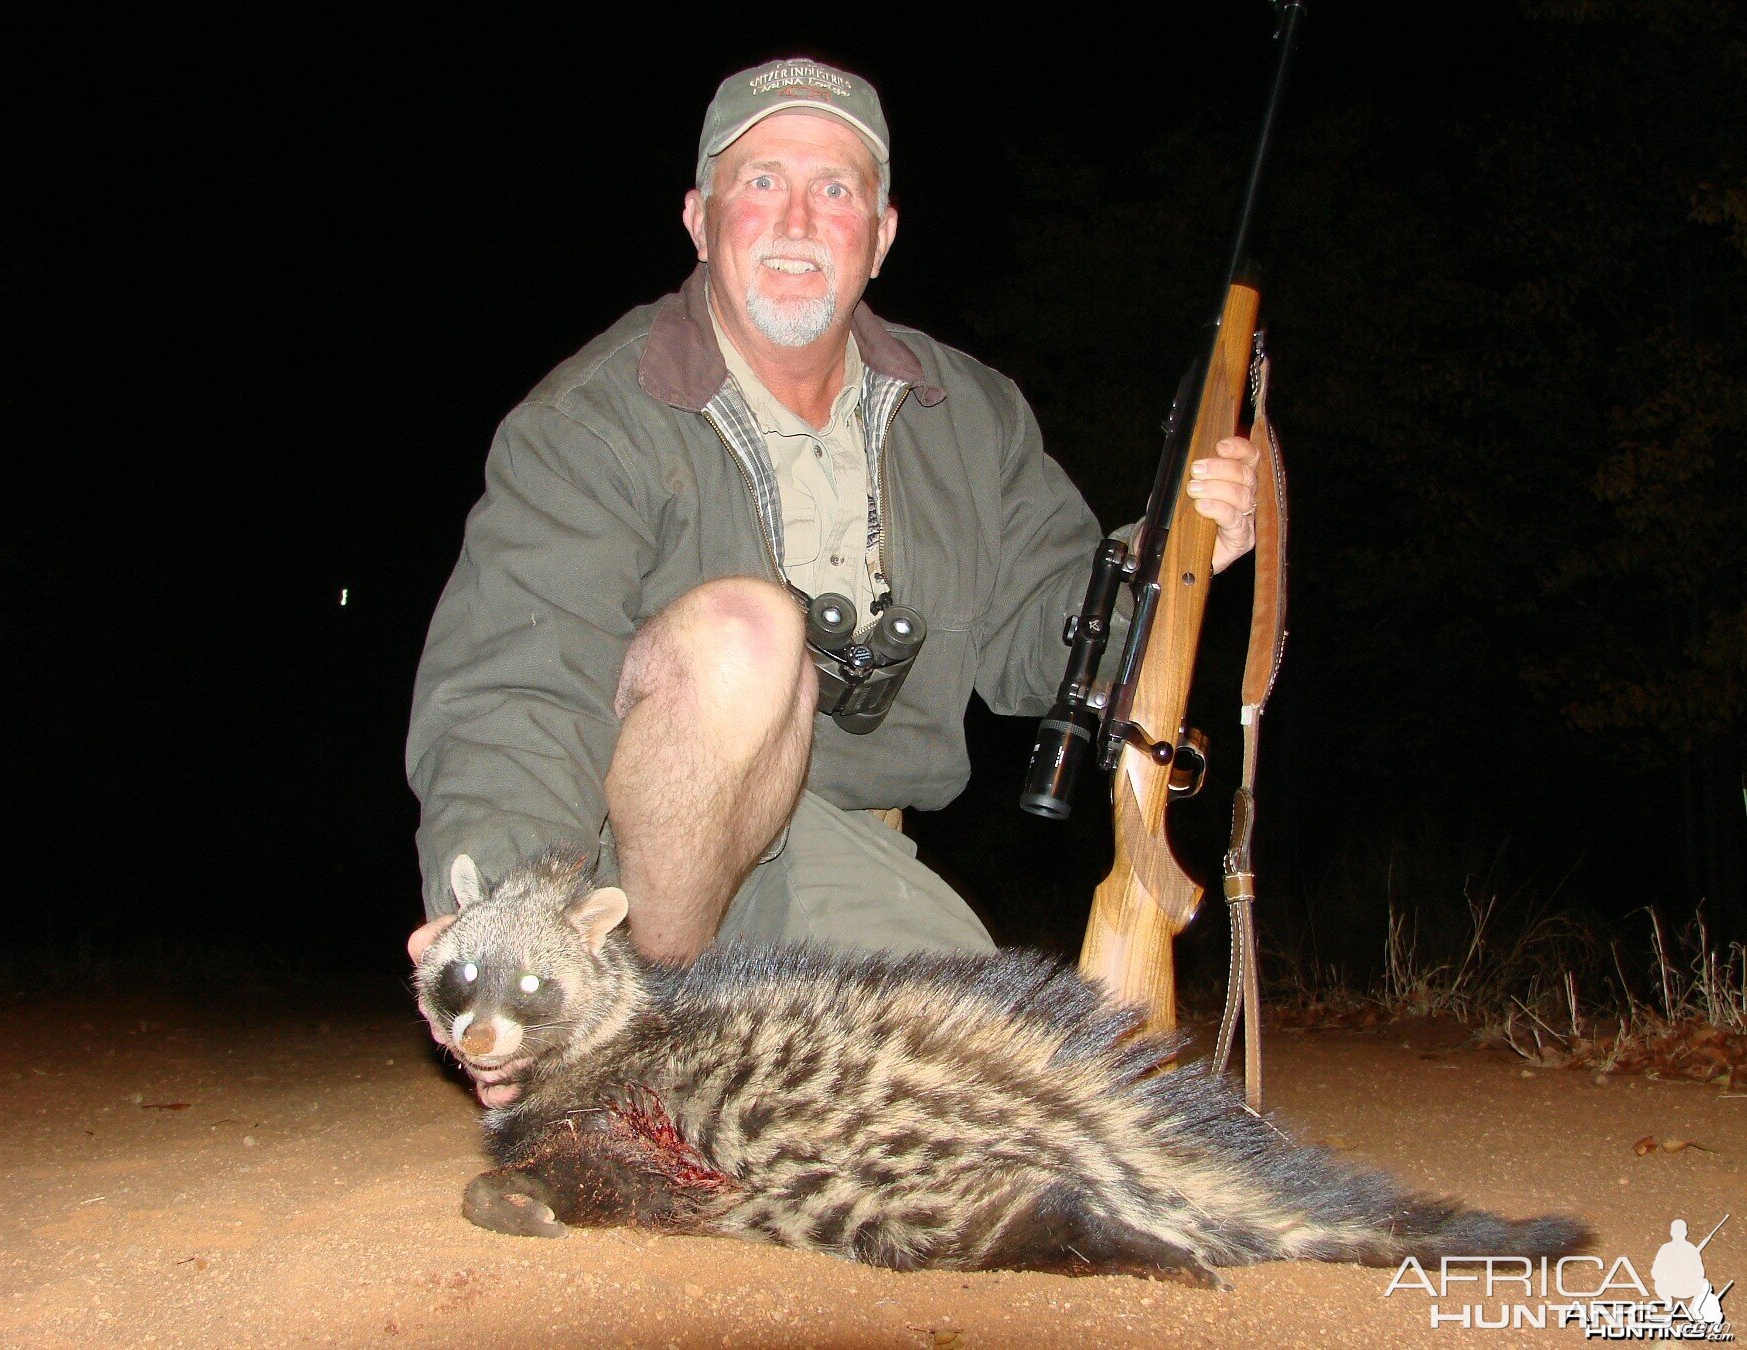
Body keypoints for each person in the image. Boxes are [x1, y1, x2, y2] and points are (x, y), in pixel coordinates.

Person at [405, 58, 1259, 1104]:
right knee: (746, 637)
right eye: (761, 181)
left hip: (836, 852)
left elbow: (1048, 643)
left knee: (1003, 1091)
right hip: (623, 877)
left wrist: (1168, 554)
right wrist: (505, 925)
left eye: (837, 189)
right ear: (700, 219)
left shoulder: (972, 414)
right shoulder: (590, 418)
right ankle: (625, 1065)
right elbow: (513, 685)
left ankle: (732, 1083)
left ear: (883, 234)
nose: (799, 217)